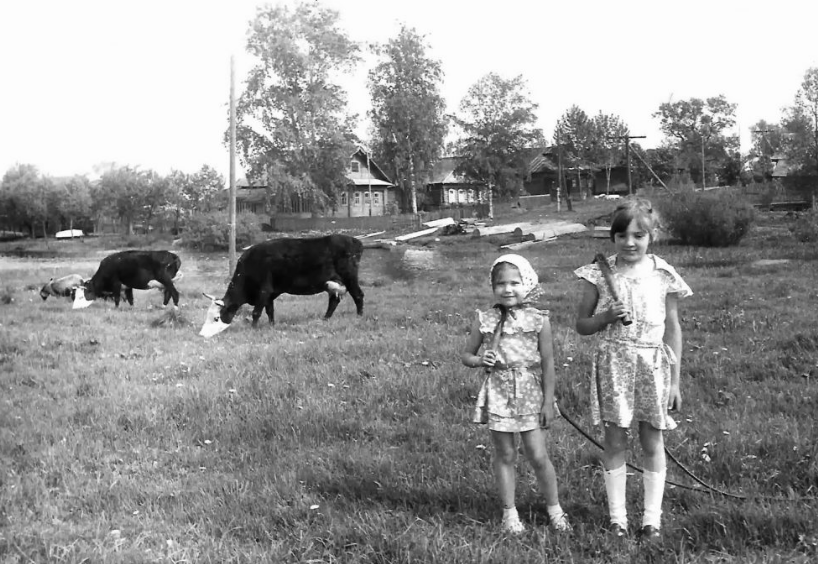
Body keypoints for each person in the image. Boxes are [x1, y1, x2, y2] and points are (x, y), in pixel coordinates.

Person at [574, 197, 692, 541]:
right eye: (622, 235)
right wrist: (605, 317)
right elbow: (582, 324)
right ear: (612, 237)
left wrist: (675, 382)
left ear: (651, 236)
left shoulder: (663, 274)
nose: (630, 242)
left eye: (639, 235)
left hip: (653, 365)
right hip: (615, 364)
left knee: (652, 440)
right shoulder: (597, 273)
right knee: (615, 440)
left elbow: (672, 328)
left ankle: (651, 520)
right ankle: (618, 519)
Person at [461, 253, 571, 535]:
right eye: (500, 283)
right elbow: (466, 355)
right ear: (493, 286)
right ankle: (510, 513)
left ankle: (554, 509)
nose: (507, 289)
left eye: (514, 282)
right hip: (498, 391)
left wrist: (549, 401)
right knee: (505, 453)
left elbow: (548, 362)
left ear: (527, 283)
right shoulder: (485, 319)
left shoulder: (538, 320)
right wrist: (479, 360)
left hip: (529, 392)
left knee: (537, 454)